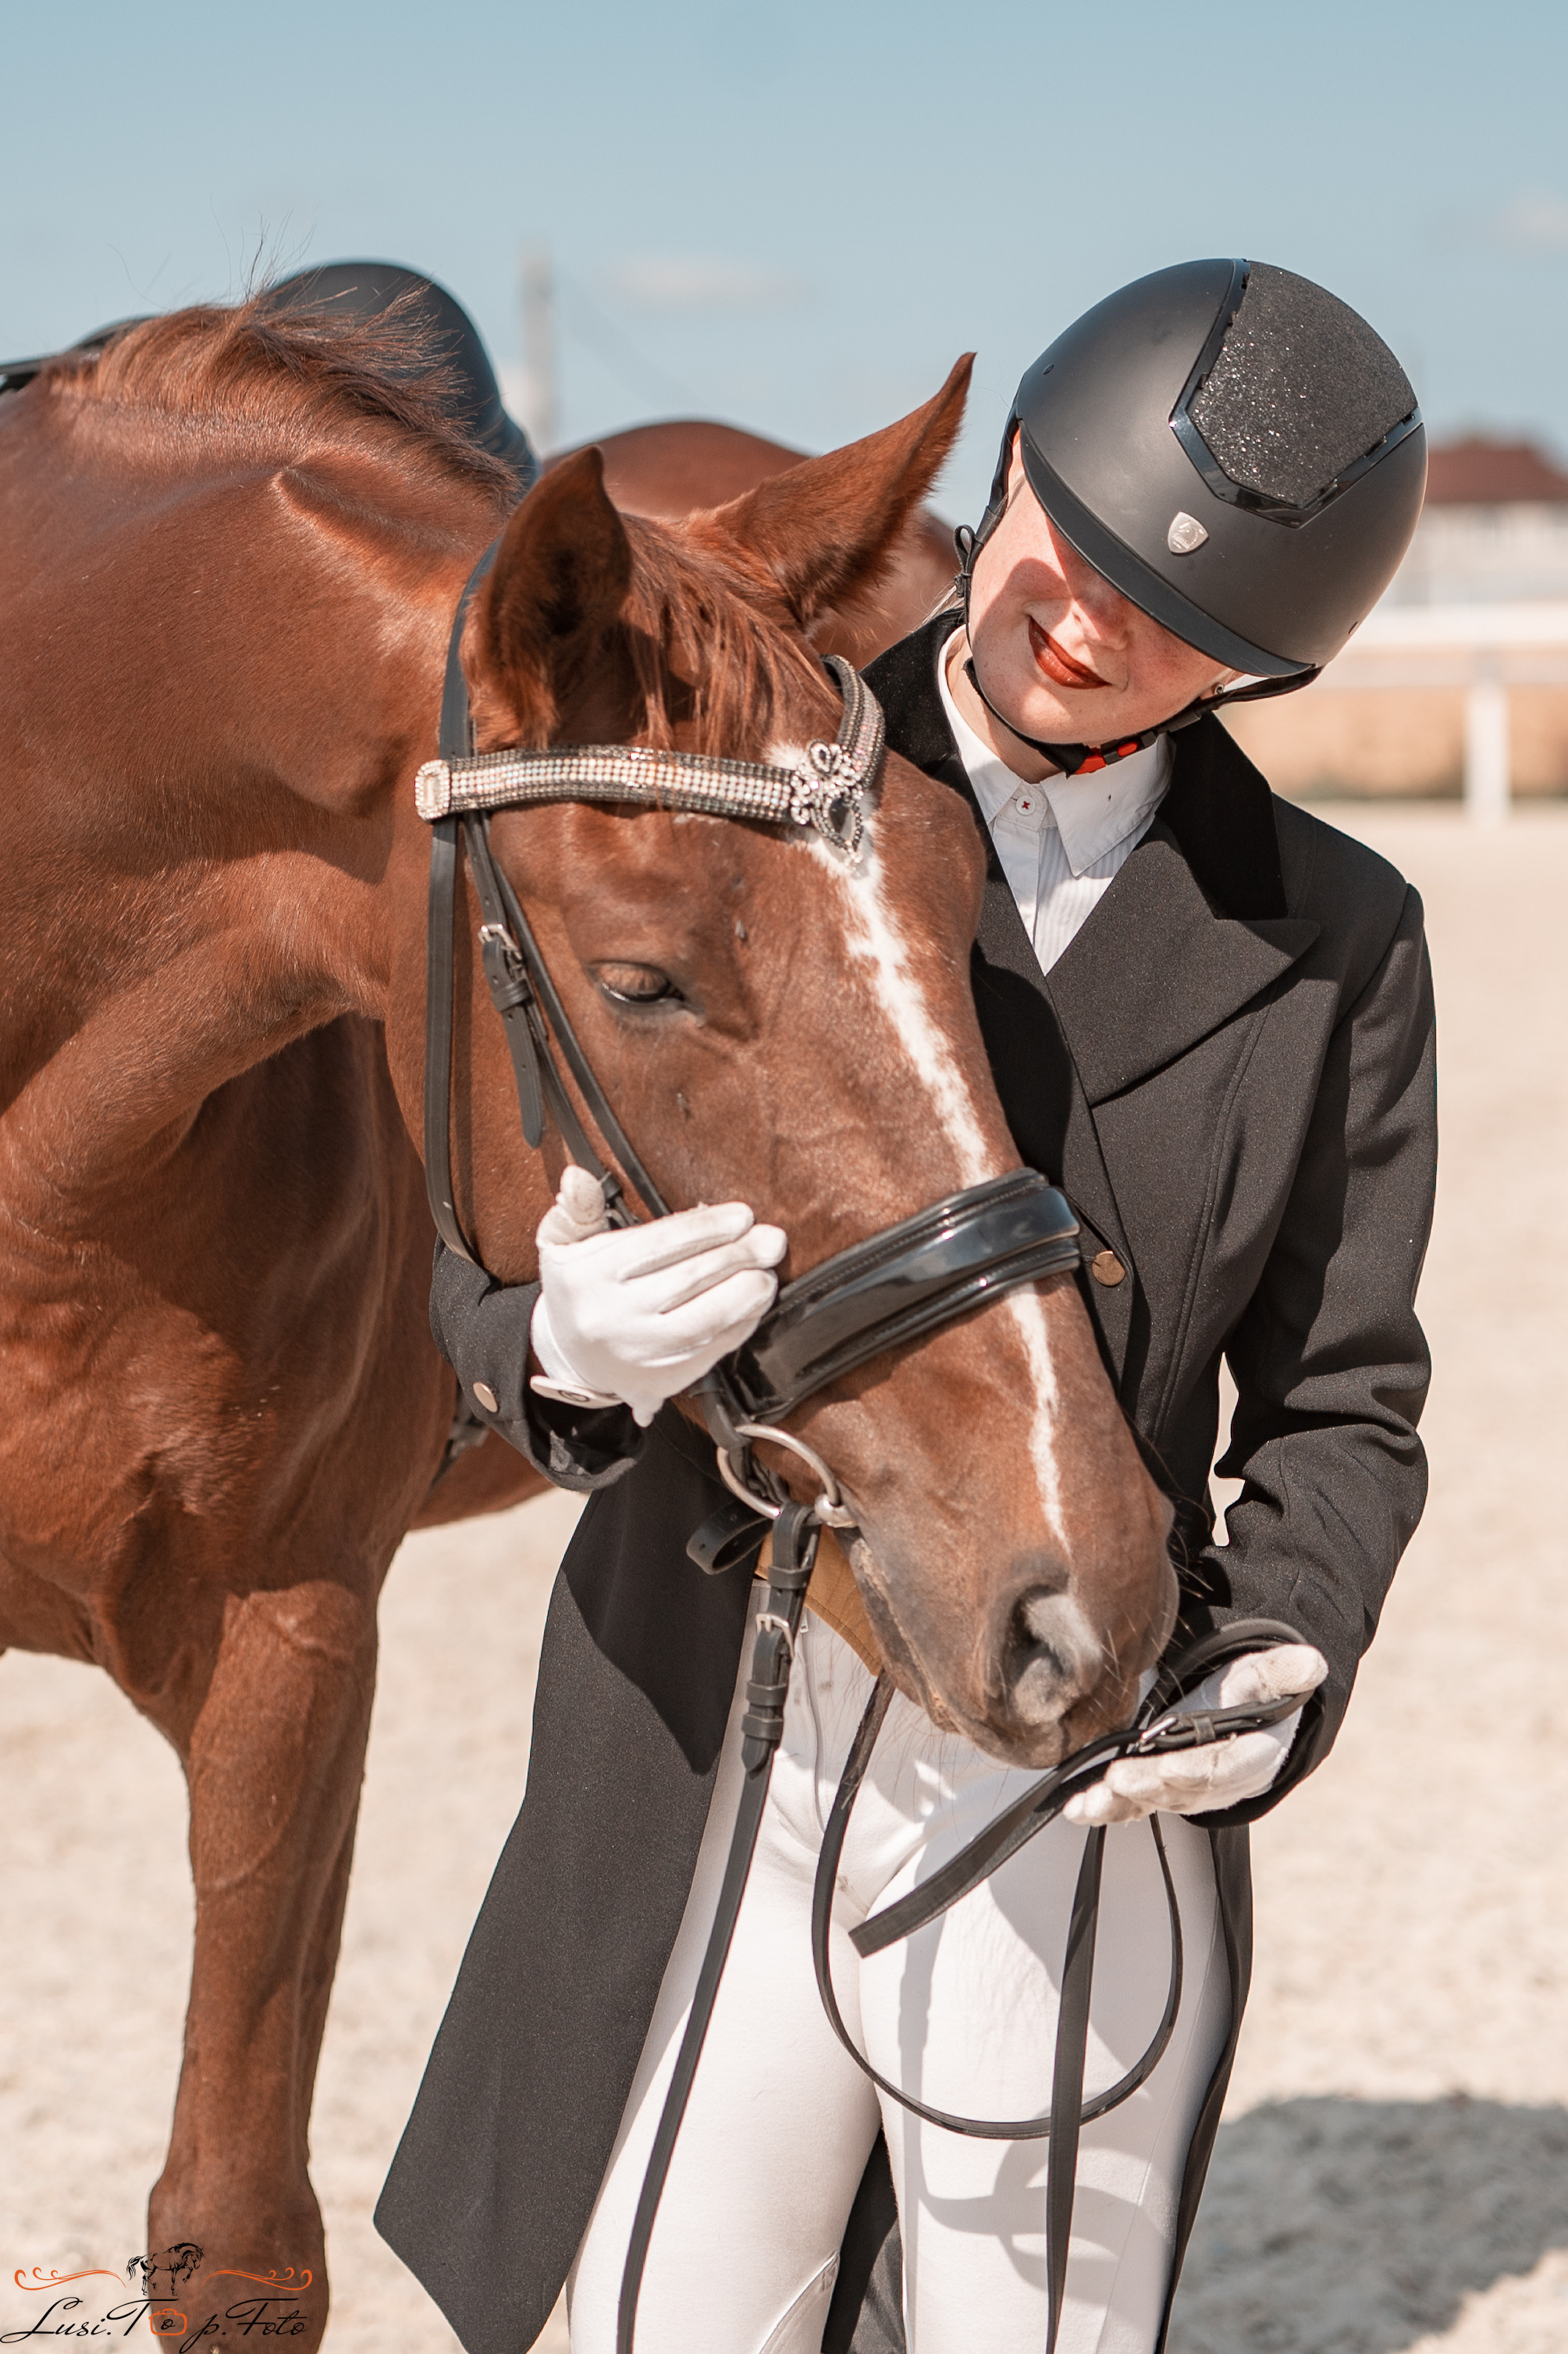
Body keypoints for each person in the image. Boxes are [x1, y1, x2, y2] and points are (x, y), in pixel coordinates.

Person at [375, 259, 1437, 2354]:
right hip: (721, 1706)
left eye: (1179, 615)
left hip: (1061, 1720)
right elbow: (475, 1261)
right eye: (1071, 543)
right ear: (1009, 466)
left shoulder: (1328, 938)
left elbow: (1343, 1401)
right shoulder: (754, 784)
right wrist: (557, 1357)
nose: (1083, 621)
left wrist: (1291, 1635)